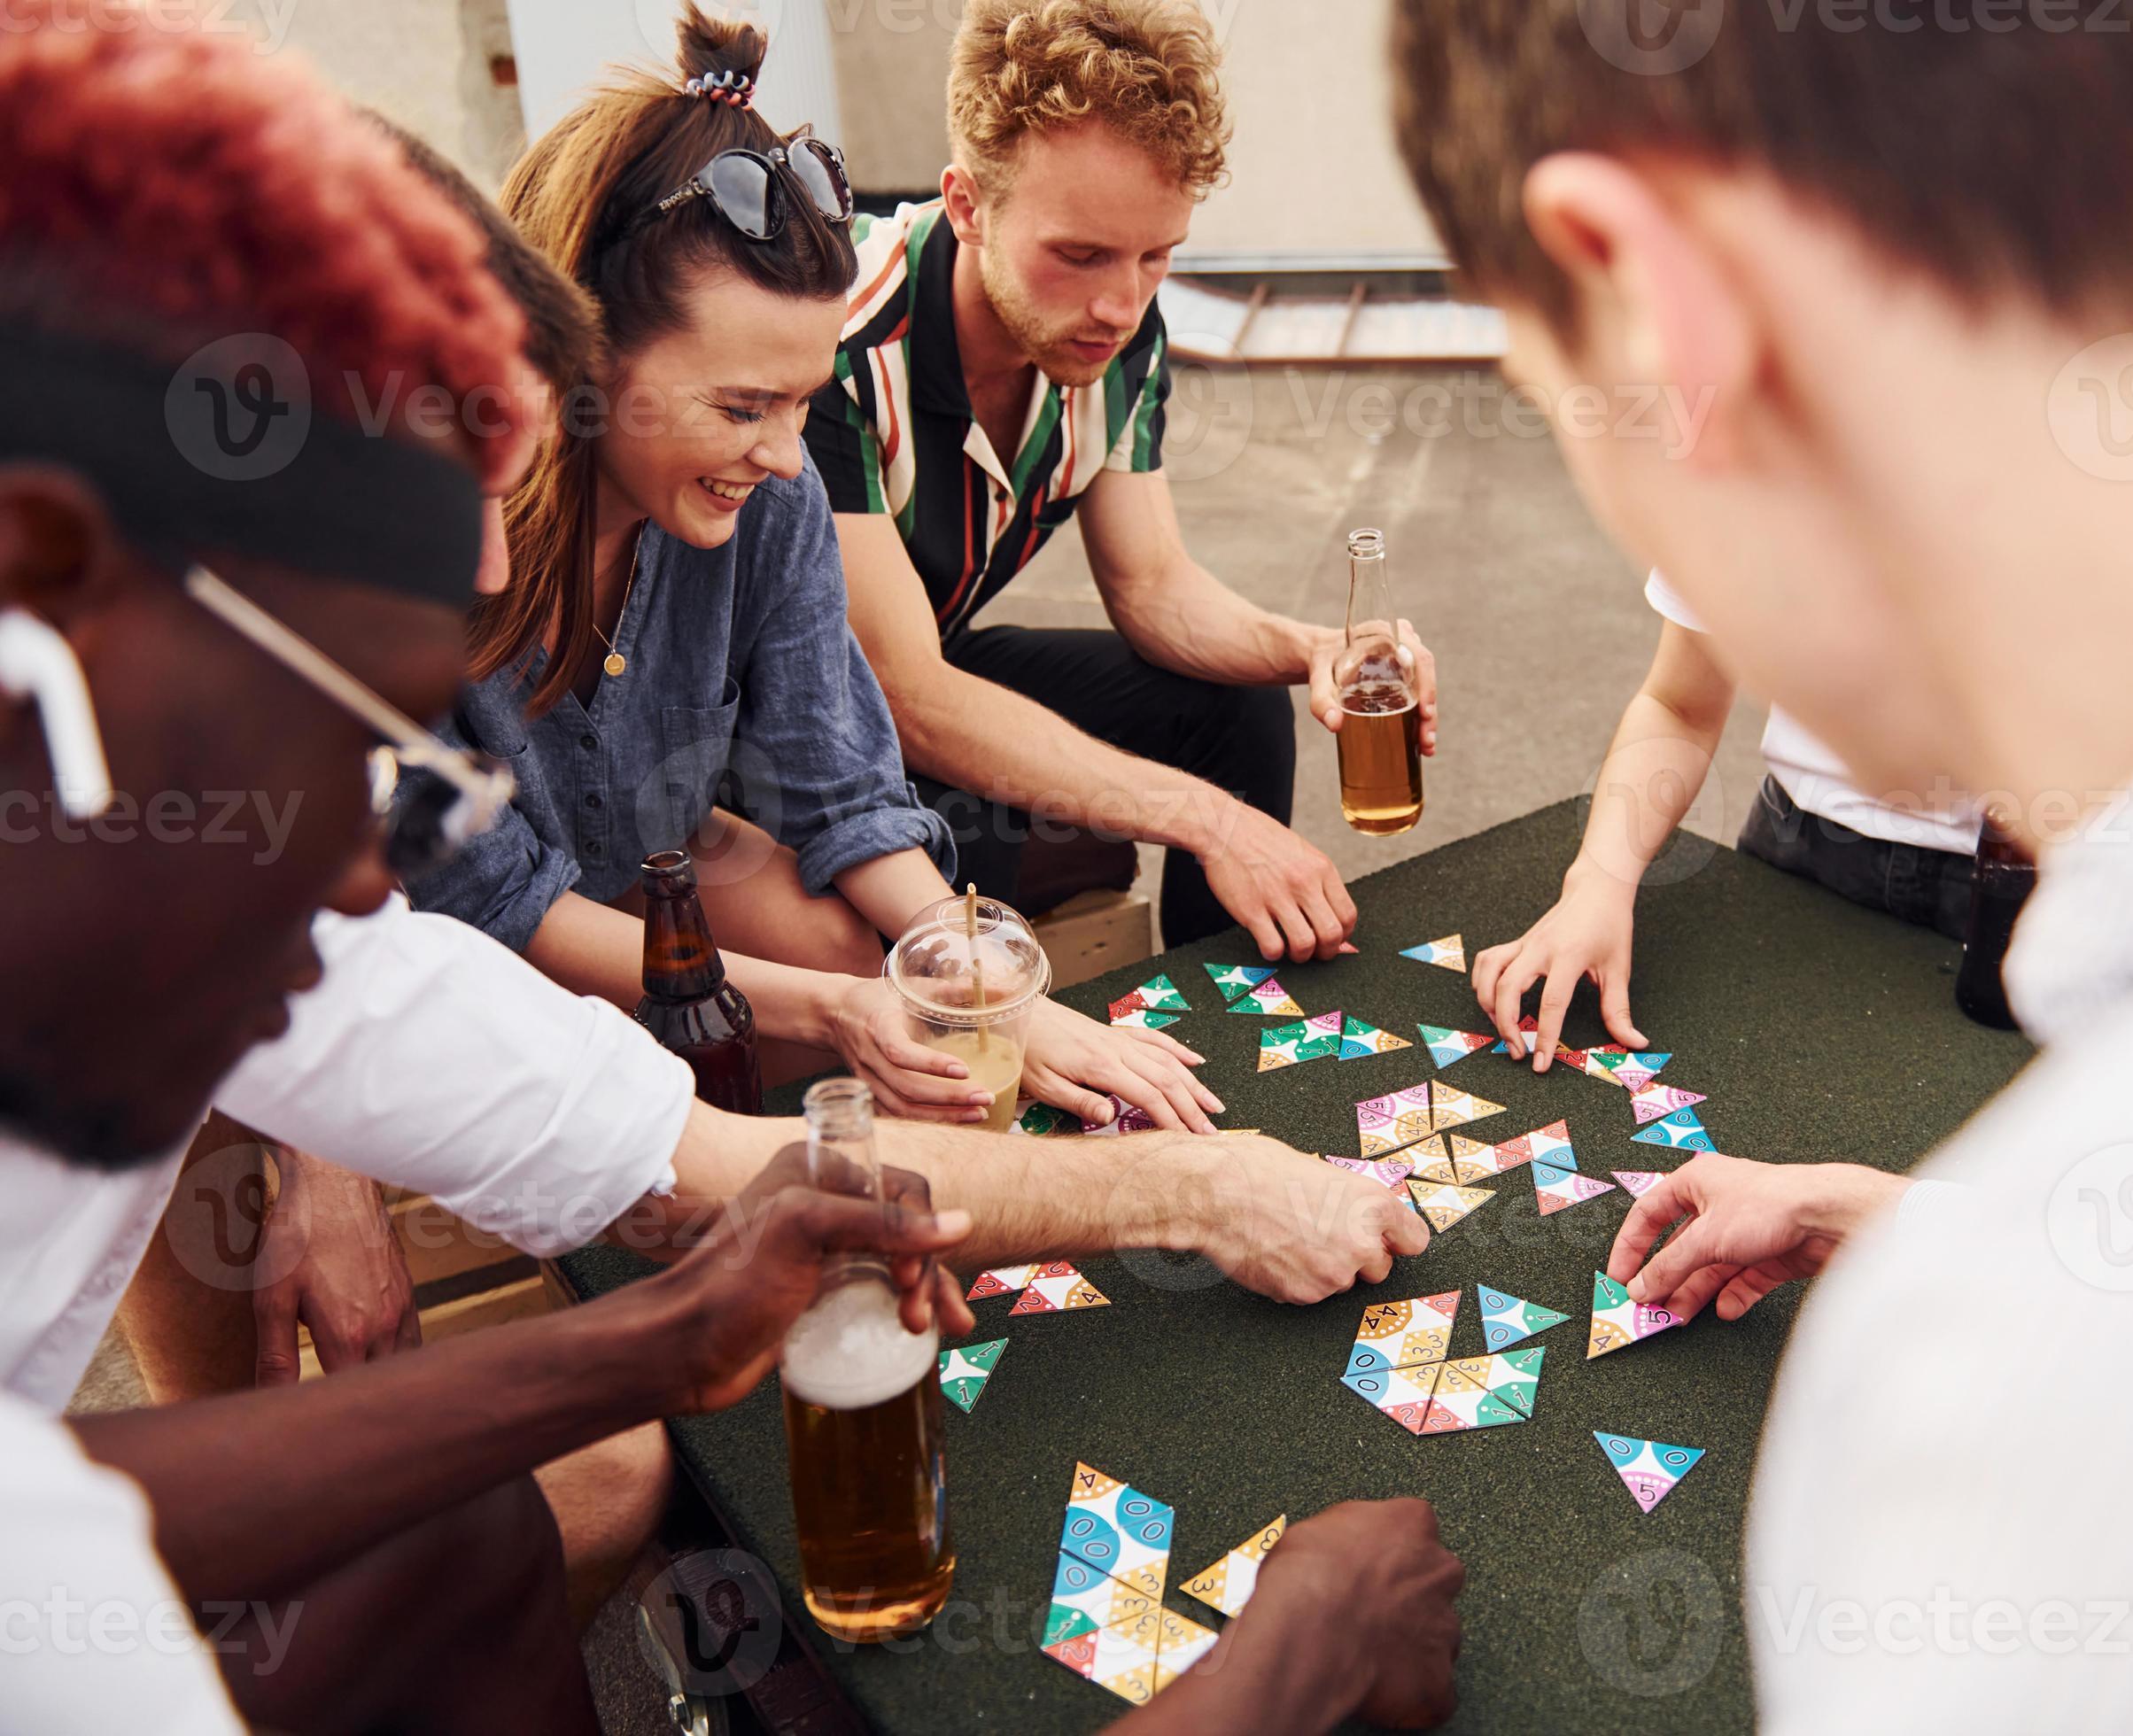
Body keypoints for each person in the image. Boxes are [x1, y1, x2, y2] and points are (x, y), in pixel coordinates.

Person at [0, 14, 1461, 1731]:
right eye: (364, 699)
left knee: (569, 1486)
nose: (401, 821)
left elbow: (705, 1154)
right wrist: (1284, 1664)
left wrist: (646, 1338)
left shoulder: (232, 857)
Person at [1392, 0, 2133, 1726]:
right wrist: (1908, 1221)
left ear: (1669, 310)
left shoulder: (2015, 1430)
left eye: (1550, 393)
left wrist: (1987, 1292)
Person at [407, 6, 1221, 1134]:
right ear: (579, 358)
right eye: (741, 405)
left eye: (802, 397)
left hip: (658, 872)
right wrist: (851, 1006)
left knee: (891, 974)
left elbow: (842, 790)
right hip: (426, 955)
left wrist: (980, 987)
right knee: (834, 1002)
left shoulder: (773, 493)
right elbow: (492, 902)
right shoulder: (427, 532)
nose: (787, 455)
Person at [804, 0, 1440, 963]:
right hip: (781, 722)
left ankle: (1230, 1026)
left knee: (1237, 707)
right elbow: (906, 699)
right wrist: (1209, 822)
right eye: (1079, 255)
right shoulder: (838, 352)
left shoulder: (1118, 330)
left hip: (920, 660)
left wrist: (1312, 647)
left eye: (1157, 256)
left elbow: (1151, 589)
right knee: (959, 804)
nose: (1121, 303)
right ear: (968, 204)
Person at [1474, 565, 1980, 1065]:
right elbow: (1680, 705)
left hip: (2018, 879)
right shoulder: (1743, 483)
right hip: (1794, 842)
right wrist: (1599, 881)